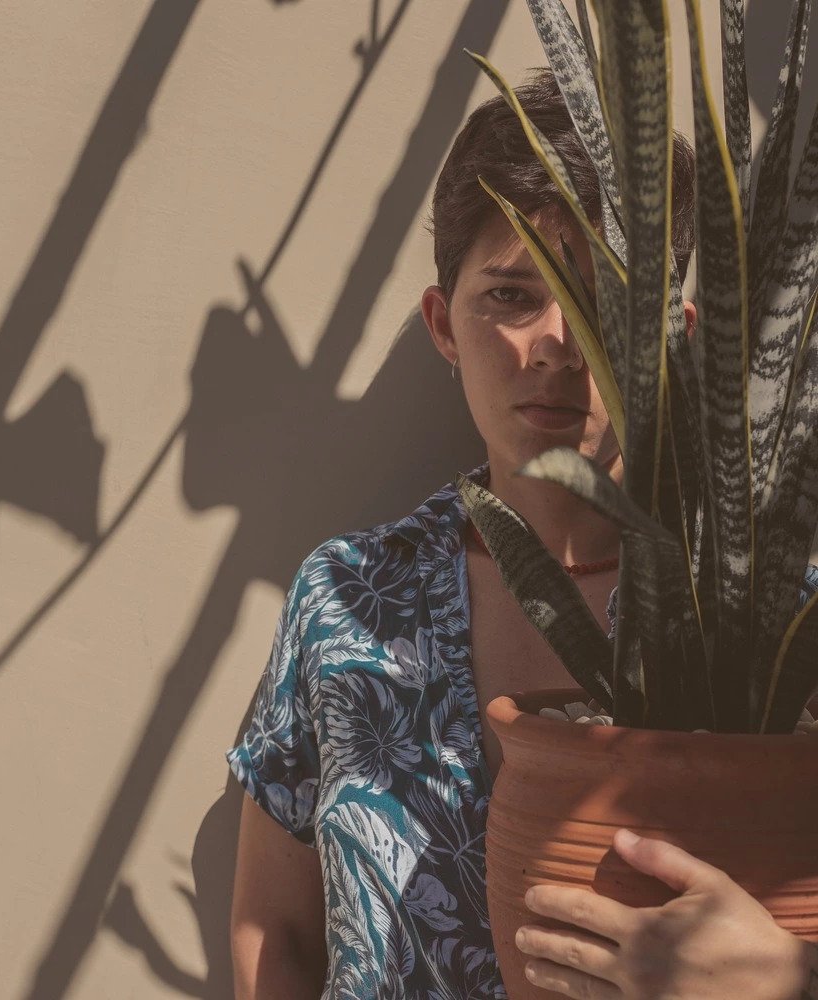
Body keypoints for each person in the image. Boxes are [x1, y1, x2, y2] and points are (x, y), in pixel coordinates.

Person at [226, 68, 818, 999]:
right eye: (510, 296)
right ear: (443, 326)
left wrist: (792, 978)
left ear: (678, 331)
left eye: (603, 304)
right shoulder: (345, 600)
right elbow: (278, 927)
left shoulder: (778, 623)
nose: (555, 343)